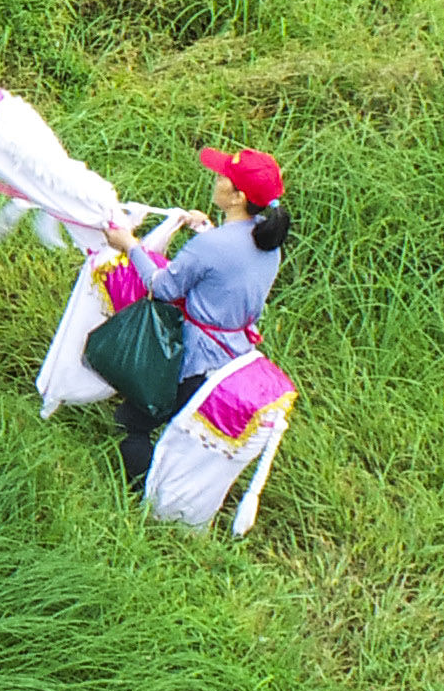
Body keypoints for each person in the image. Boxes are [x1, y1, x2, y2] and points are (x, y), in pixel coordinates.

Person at [86, 148, 291, 489]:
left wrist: (130, 245)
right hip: (234, 356)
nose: (216, 178)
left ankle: (146, 499)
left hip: (196, 359)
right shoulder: (268, 242)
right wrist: (206, 230)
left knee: (131, 422)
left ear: (238, 197)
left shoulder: (212, 246)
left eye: (224, 177)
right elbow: (227, 271)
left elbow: (163, 288)